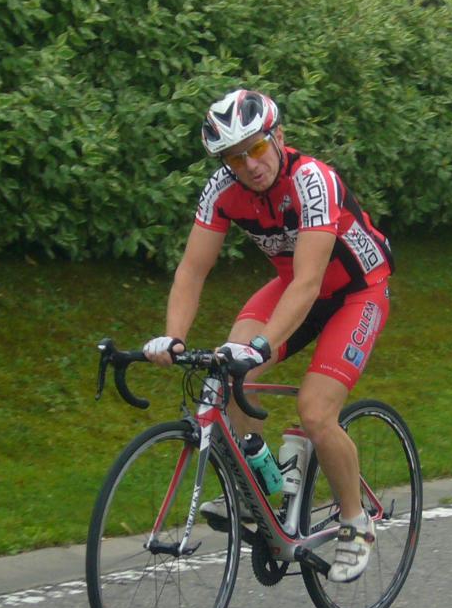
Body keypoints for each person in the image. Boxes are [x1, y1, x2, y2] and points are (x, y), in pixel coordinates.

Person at [143, 89, 394, 582]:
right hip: (293, 285)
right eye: (235, 157)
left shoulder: (312, 180)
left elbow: (308, 283)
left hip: (356, 291)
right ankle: (262, 488)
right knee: (226, 373)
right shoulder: (221, 189)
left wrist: (260, 346)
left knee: (315, 411)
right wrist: (172, 337)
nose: (249, 165)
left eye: (256, 148)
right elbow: (192, 270)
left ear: (278, 136)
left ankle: (355, 520)